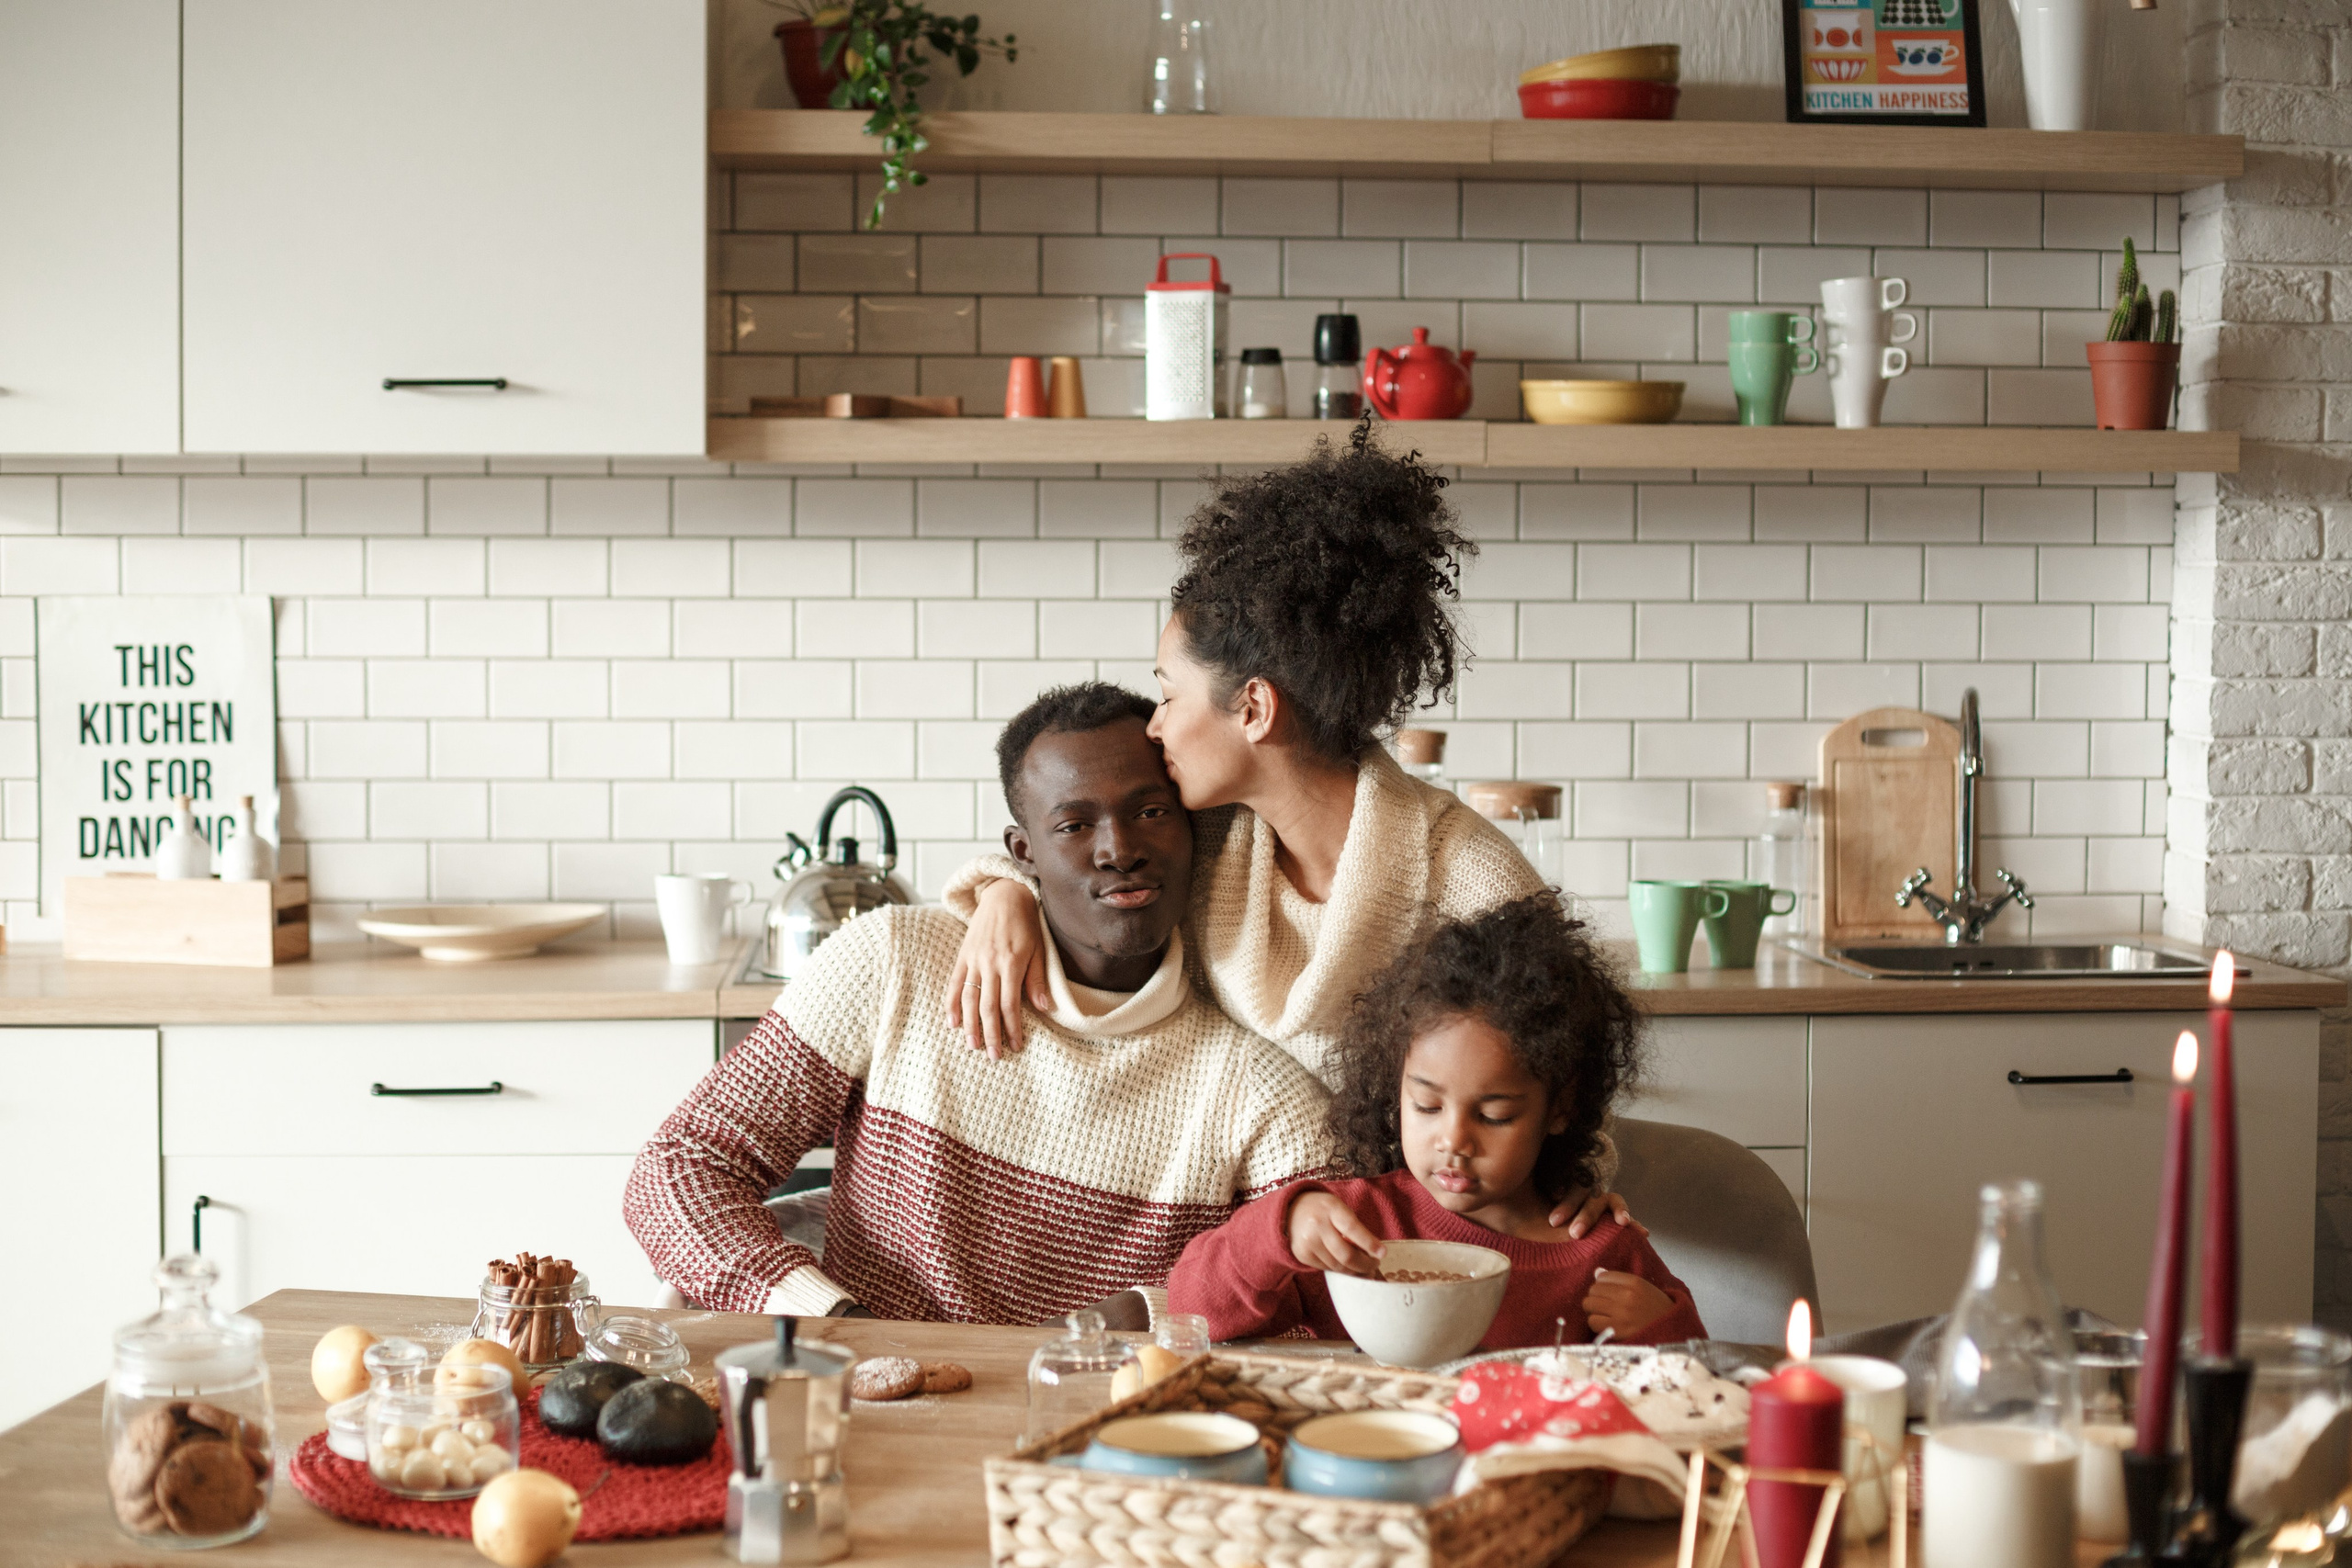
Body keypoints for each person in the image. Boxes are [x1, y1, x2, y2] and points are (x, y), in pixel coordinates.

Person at [942, 422, 1624, 1235]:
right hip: (1250, 1230)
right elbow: (1090, 857)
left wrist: (1579, 1180)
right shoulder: (1221, 838)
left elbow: (1560, 1081)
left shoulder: (1469, 878)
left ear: (1255, 708)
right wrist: (1003, 896)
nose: (1154, 727)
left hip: (1427, 1246)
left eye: (1167, 693)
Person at [623, 682, 1332, 1322]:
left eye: (1149, 810)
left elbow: (1318, 1301)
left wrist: (1144, 1313)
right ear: (1023, 851)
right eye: (1073, 825)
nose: (1120, 848)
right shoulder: (893, 961)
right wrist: (835, 1322)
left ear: (1193, 829)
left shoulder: (1257, 1087)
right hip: (860, 1405)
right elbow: (680, 1167)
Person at [1165, 894, 1703, 1350]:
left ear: (1559, 1110)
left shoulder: (1602, 1250)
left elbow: (1698, 1390)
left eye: (1494, 1116)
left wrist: (1662, 1329)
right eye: (1426, 1106)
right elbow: (1193, 1312)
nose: (1453, 1140)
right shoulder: (1359, 1224)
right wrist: (1278, 1231)